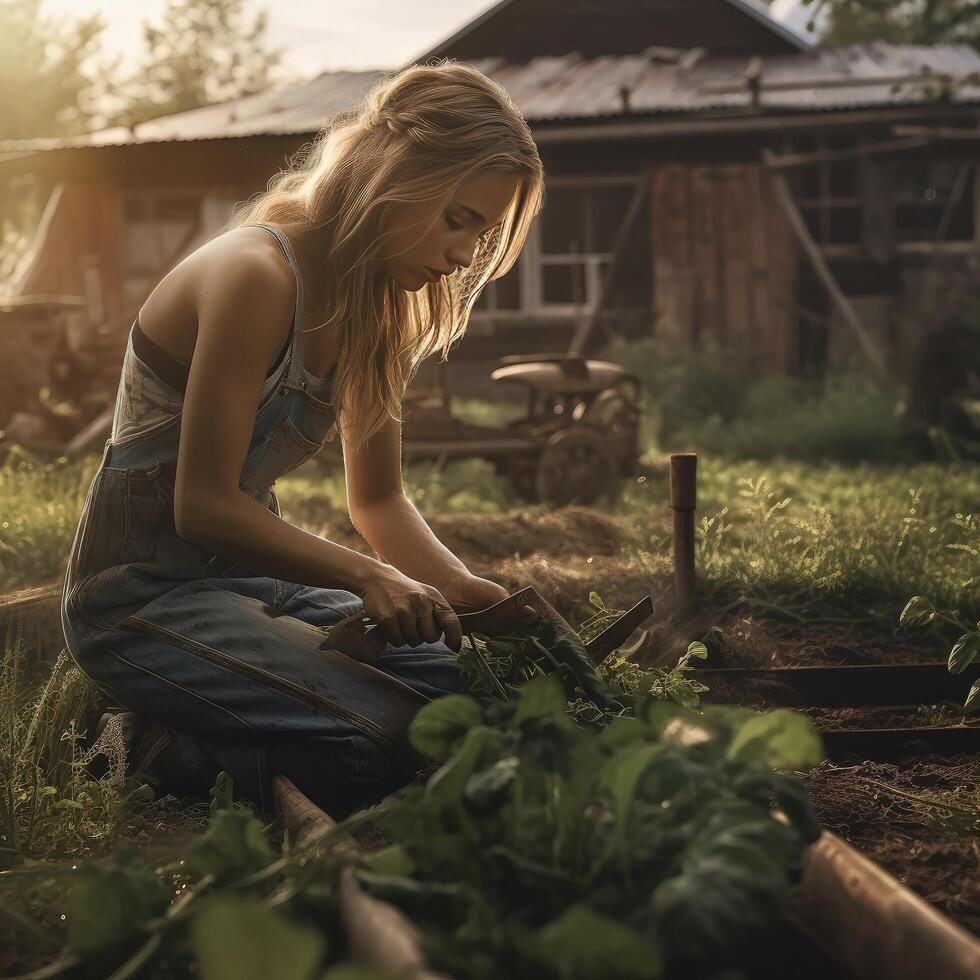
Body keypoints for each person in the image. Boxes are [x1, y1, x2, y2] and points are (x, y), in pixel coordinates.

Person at [60, 59, 545, 819]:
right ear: (396, 173)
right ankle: (137, 741)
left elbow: (380, 500)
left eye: (480, 236)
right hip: (137, 598)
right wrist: (370, 580)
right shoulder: (257, 275)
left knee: (451, 686)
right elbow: (205, 506)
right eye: (459, 219)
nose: (463, 256)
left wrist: (459, 587)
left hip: (244, 585)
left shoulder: (380, 305)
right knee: (384, 742)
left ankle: (236, 710)